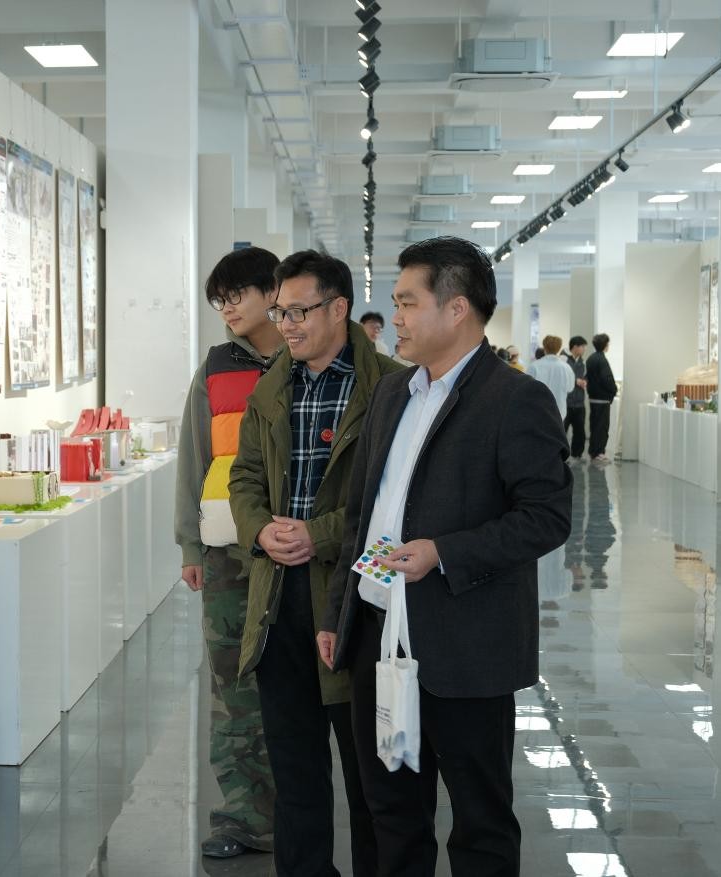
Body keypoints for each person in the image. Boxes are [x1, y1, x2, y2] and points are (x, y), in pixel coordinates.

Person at [318, 236, 572, 877]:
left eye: (408, 303)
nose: (395, 317)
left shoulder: (514, 399)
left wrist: (445, 552)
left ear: (457, 309)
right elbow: (362, 515)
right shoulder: (392, 394)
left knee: (480, 823)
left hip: (465, 645)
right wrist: (339, 611)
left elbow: (546, 516)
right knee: (391, 815)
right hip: (379, 636)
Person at [229, 250, 403, 875]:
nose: (286, 325)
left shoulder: (391, 388)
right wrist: (260, 530)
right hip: (278, 602)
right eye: (280, 312)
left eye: (299, 311)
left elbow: (395, 502)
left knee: (369, 777)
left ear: (338, 308)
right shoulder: (271, 387)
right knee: (295, 772)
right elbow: (244, 478)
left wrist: (319, 535)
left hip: (354, 603)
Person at [175, 246, 281, 858]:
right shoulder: (215, 368)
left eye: (237, 295)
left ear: (273, 291)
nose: (228, 309)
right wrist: (189, 543)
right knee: (231, 685)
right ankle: (243, 816)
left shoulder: (311, 360)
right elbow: (193, 458)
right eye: (220, 300)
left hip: (296, 547)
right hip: (226, 552)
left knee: (298, 682)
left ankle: (297, 809)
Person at [527, 335, 576, 422]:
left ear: (544, 347)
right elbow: (570, 388)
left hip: (538, 411)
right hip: (559, 412)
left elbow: (528, 389)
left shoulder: (534, 366)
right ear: (559, 348)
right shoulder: (566, 368)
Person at [585, 333, 617, 463]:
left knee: (594, 426)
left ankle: (593, 451)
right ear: (605, 345)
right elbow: (607, 378)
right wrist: (613, 390)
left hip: (593, 397)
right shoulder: (602, 360)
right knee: (602, 427)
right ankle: (599, 452)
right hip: (602, 399)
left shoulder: (591, 358)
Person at [562, 336, 589, 460]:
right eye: (582, 347)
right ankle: (561, 455)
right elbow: (561, 377)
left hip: (579, 403)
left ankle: (577, 454)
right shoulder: (563, 360)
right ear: (575, 347)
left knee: (580, 432)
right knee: (562, 430)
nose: (584, 349)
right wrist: (575, 381)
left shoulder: (583, 362)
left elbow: (586, 376)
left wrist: (585, 381)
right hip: (566, 402)